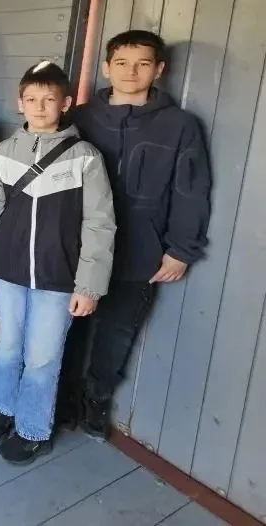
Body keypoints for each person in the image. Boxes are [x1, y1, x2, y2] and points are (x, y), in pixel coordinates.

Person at [61, 30, 211, 439]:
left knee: (116, 334)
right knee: (67, 327)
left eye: (143, 64)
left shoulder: (180, 126)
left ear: (159, 69)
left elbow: (191, 190)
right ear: (106, 67)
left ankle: (95, 400)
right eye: (122, 63)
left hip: (140, 252)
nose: (131, 72)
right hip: (77, 249)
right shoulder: (80, 119)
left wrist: (181, 249)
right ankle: (63, 399)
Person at [0, 61, 115, 465]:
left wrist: (89, 285)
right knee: (7, 346)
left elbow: (100, 224)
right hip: (8, 273)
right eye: (31, 99)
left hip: (58, 278)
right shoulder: (2, 154)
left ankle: (33, 429)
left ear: (65, 103)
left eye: (49, 99)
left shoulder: (85, 158)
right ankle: (5, 408)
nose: (39, 106)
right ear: (20, 103)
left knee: (42, 357)